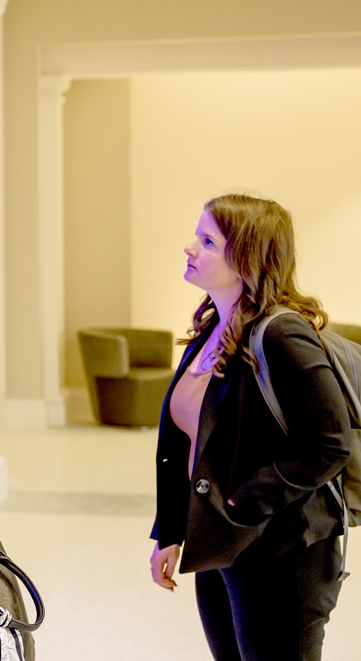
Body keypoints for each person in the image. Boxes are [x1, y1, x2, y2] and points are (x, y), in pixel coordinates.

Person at [149, 193, 351, 660]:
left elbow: (329, 444)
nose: (190, 249)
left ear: (246, 258)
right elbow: (187, 444)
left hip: (280, 550)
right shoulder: (208, 331)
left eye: (207, 241)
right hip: (221, 544)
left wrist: (239, 501)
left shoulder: (283, 334)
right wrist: (171, 531)